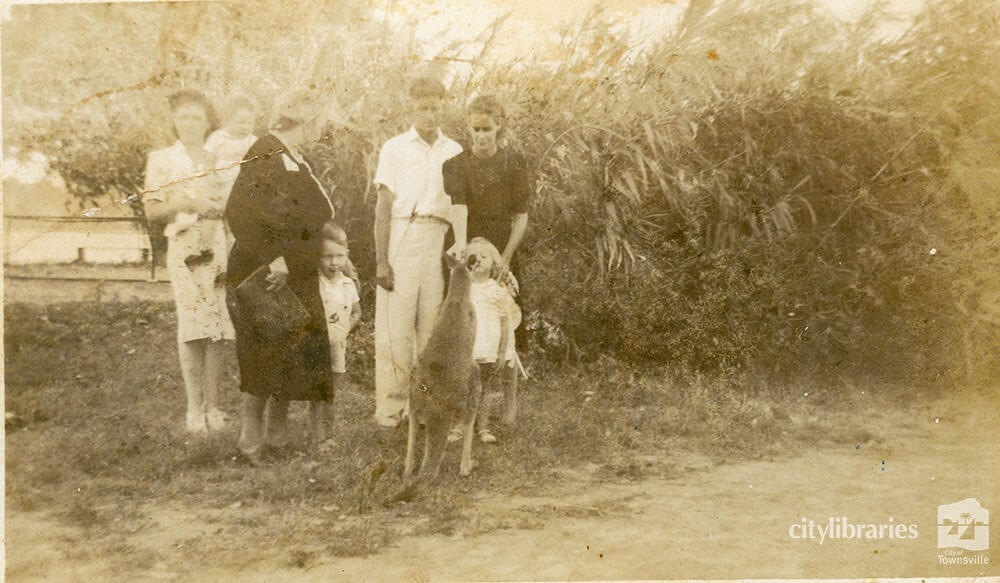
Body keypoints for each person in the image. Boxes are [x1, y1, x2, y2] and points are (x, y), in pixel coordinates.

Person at [225, 88, 335, 463]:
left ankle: (277, 437)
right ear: (307, 118)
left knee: (291, 351)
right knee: (262, 354)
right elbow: (241, 212)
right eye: (321, 117)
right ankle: (250, 443)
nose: (325, 124)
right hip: (265, 271)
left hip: (295, 272)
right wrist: (274, 259)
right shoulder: (266, 149)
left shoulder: (296, 158)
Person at [372, 75, 463, 428]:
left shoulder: (453, 151)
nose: (429, 113)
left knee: (431, 327)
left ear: (443, 106)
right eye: (423, 106)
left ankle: (424, 407)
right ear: (411, 106)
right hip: (403, 235)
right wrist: (381, 259)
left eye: (435, 106)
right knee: (396, 328)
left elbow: (459, 206)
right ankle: (390, 410)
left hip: (439, 237)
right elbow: (383, 205)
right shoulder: (395, 148)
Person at [144, 90, 234, 433]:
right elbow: (152, 210)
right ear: (174, 121)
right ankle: (194, 410)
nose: (190, 124)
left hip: (216, 245)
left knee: (217, 326)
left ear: (207, 121)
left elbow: (230, 203)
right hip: (183, 246)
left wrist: (221, 210)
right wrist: (189, 203)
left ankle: (214, 407)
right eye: (183, 117)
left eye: (196, 117)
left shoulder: (218, 158)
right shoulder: (162, 159)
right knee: (192, 325)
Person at [443, 95, 531, 284]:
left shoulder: (515, 163)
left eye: (487, 129)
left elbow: (520, 215)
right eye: (476, 129)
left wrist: (505, 258)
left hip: (501, 243)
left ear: (499, 126)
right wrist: (461, 246)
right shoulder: (456, 165)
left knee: (503, 304)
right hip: (465, 238)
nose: (481, 136)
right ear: (469, 126)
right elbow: (458, 206)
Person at [466, 237, 521, 444]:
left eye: (484, 256)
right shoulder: (464, 289)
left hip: (488, 349)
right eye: (473, 257)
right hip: (468, 348)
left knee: (485, 388)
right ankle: (461, 427)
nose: (478, 260)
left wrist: (501, 352)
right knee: (465, 386)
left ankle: (483, 428)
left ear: (494, 262)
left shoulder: (498, 291)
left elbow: (505, 323)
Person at [314, 221, 361, 444]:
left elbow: (356, 313)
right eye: (327, 256)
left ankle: (328, 436)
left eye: (339, 256)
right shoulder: (316, 283)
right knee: (317, 392)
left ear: (347, 255)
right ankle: (318, 437)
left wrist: (345, 329)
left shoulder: (347, 284)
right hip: (317, 345)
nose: (334, 262)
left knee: (330, 394)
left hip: (337, 345)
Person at [206, 95, 258, 198]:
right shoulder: (218, 137)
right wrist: (210, 174)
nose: (246, 127)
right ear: (227, 121)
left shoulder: (252, 141)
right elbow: (209, 159)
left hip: (239, 181)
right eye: (241, 122)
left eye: (250, 123)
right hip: (217, 179)